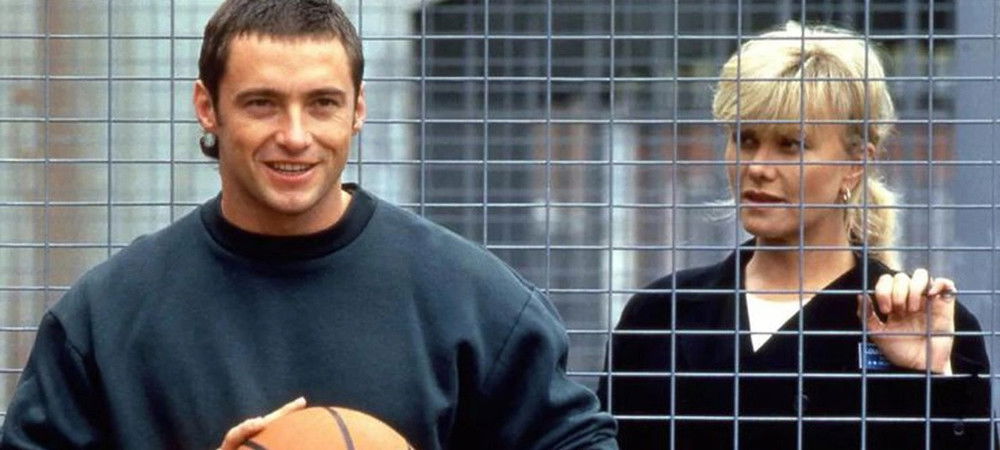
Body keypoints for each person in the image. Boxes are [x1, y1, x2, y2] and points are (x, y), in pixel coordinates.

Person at [0, 1, 618, 449]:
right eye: (262, 103)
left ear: (358, 109)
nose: (295, 136)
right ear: (207, 107)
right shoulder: (106, 318)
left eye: (322, 103)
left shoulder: (473, 301)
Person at [599, 22, 992, 449]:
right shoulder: (662, 314)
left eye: (791, 145)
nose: (758, 167)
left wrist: (934, 378)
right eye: (745, 139)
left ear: (855, 164)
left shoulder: (921, 320)